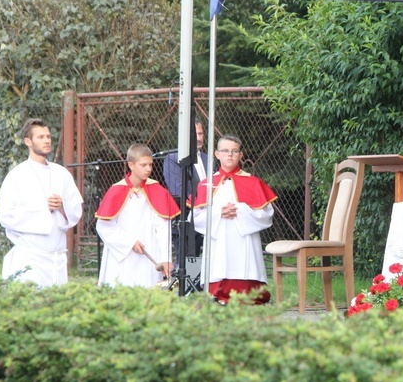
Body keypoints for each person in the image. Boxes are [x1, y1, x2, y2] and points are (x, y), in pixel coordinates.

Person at [191, 135, 277, 305]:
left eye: (234, 151)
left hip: (244, 237)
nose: (229, 155)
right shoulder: (206, 184)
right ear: (217, 154)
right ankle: (218, 293)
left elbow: (267, 215)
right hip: (219, 237)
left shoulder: (253, 182)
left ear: (241, 155)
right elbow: (196, 217)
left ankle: (248, 293)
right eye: (225, 151)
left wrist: (241, 210)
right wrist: (218, 213)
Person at [0, 118, 84, 287]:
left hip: (57, 258)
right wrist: (43, 208)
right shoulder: (17, 175)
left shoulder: (62, 173)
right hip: (30, 257)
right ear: (28, 141)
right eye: (40, 137)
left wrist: (61, 207)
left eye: (48, 136)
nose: (46, 141)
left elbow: (76, 210)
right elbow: (6, 216)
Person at [95, 143, 180, 287]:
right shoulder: (116, 190)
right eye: (143, 165)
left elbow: (163, 228)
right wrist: (129, 242)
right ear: (131, 165)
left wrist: (165, 258)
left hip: (150, 253)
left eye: (150, 165)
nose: (148, 169)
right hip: (122, 256)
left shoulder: (157, 190)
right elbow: (103, 226)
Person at [163, 118, 208, 260]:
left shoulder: (209, 160)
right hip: (186, 220)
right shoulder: (174, 159)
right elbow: (178, 190)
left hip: (209, 219)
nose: (199, 138)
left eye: (201, 134)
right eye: (195, 134)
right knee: (187, 263)